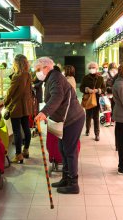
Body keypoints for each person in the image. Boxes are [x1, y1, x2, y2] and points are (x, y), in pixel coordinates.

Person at [34, 57, 85, 194]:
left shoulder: (55, 77)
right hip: (65, 119)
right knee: (62, 149)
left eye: (38, 69)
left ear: (46, 67)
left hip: (72, 119)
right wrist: (45, 112)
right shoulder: (52, 77)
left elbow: (57, 97)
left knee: (70, 151)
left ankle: (73, 184)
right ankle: (66, 178)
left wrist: (45, 112)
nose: (37, 73)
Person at [4, 54, 33, 163]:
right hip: (26, 106)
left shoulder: (17, 76)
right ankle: (26, 150)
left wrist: (6, 103)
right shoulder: (28, 75)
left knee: (17, 132)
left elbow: (10, 92)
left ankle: (18, 155)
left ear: (16, 63)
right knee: (26, 128)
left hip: (16, 107)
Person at [80, 62, 106, 141]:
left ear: (97, 68)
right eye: (90, 67)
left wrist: (98, 90)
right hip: (88, 99)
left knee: (96, 117)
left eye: (94, 67)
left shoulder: (100, 78)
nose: (92, 69)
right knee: (88, 116)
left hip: (97, 100)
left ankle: (97, 134)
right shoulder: (85, 77)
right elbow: (81, 88)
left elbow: (104, 89)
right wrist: (86, 89)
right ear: (88, 69)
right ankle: (87, 129)